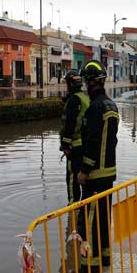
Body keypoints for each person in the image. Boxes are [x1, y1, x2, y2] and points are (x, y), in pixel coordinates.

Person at [77, 60, 119, 273]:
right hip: (109, 173)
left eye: (86, 81)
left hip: (95, 174)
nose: (85, 85)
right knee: (104, 220)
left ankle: (89, 266)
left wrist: (84, 170)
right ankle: (104, 259)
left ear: (92, 82)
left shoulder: (95, 108)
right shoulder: (112, 105)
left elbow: (93, 143)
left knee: (91, 221)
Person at [60, 69, 90, 205]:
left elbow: (70, 123)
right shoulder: (84, 97)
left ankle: (72, 208)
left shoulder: (74, 100)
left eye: (67, 84)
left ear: (71, 84)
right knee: (82, 177)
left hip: (75, 146)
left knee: (72, 177)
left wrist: (66, 145)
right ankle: (84, 205)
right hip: (85, 145)